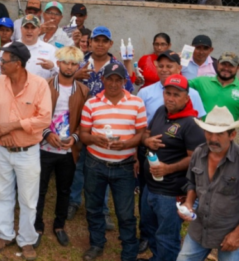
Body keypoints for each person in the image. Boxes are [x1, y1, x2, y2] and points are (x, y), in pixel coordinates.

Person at [0, 42, 51, 260]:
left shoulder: (39, 85)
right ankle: (5, 234)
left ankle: (27, 239)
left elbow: (44, 118)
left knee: (28, 198)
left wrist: (14, 125)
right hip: (0, 149)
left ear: (17, 64)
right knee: (1, 194)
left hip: (27, 151)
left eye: (4, 60)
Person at [79, 63, 146, 261]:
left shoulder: (136, 103)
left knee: (125, 213)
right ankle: (97, 243)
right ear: (103, 80)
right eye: (110, 79)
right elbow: (83, 134)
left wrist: (127, 144)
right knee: (93, 207)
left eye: (119, 80)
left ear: (125, 81)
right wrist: (94, 139)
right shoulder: (91, 103)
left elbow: (141, 133)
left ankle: (129, 250)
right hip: (95, 163)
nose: (114, 84)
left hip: (124, 165)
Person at [138, 74, 205, 261]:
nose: (170, 98)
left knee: (167, 237)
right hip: (150, 187)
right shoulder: (161, 111)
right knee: (150, 228)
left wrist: (168, 169)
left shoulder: (192, 124)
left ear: (187, 97)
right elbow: (147, 133)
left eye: (176, 94)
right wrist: (146, 140)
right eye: (168, 93)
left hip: (170, 191)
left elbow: (195, 159)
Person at [35, 46, 89, 247]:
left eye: (74, 63)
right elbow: (35, 113)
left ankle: (59, 225)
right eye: (66, 62)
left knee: (64, 189)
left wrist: (75, 137)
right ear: (58, 63)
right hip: (44, 147)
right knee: (39, 189)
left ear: (78, 66)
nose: (69, 66)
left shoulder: (83, 91)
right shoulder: (44, 85)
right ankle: (37, 226)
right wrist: (47, 134)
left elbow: (85, 120)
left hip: (68, 150)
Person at [176, 106, 239, 261]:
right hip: (200, 228)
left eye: (219, 134)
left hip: (230, 231)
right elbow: (192, 183)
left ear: (232, 135)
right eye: (209, 132)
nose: (213, 139)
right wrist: (189, 203)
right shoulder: (199, 152)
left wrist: (237, 234)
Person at [138, 50, 206, 122]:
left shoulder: (192, 94)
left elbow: (198, 122)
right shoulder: (144, 93)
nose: (164, 70)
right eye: (160, 66)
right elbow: (137, 121)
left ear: (179, 68)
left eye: (169, 66)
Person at [0, 15, 57, 81]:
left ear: (39, 30)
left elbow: (59, 77)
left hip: (39, 90)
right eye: (26, 27)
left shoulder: (50, 49)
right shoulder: (8, 47)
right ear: (21, 29)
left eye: (33, 28)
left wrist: (52, 67)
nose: (29, 31)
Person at [190, 52, 239, 119]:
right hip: (202, 128)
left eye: (231, 65)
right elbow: (177, 84)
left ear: (237, 68)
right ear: (217, 64)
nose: (226, 68)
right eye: (223, 64)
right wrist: (177, 61)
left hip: (228, 129)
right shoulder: (201, 81)